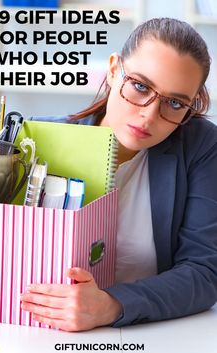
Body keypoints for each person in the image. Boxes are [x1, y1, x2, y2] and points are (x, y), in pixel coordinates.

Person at [20, 17, 217, 331]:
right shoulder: (36, 139)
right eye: (140, 86)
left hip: (152, 334)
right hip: (35, 329)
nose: (149, 115)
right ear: (114, 70)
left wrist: (111, 305)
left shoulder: (201, 146)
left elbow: (205, 272)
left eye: (175, 103)